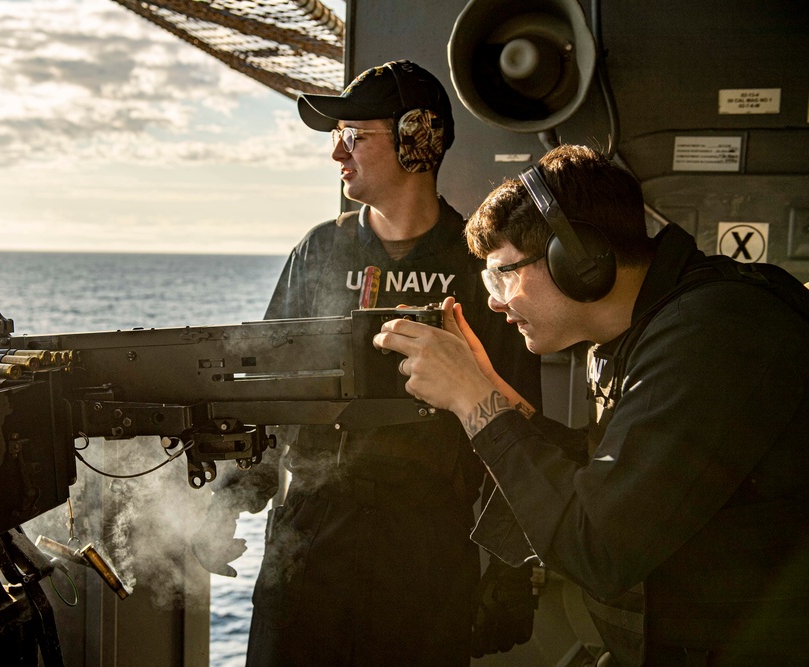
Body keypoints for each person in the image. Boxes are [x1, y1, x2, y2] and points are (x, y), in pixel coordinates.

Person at [374, 144, 809, 666]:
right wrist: (495, 392)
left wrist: (473, 400)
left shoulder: (715, 333)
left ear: (577, 258)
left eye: (504, 274)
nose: (494, 299)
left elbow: (600, 546)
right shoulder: (658, 328)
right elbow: (611, 481)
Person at [190, 60, 543, 666]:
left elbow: (517, 420)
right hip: (306, 555)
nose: (337, 153)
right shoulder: (318, 252)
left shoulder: (477, 266)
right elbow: (270, 396)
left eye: (354, 135)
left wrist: (513, 573)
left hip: (423, 564)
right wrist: (225, 504)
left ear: (417, 140)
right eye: (336, 136)